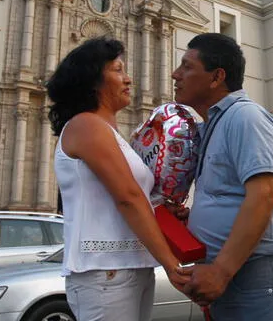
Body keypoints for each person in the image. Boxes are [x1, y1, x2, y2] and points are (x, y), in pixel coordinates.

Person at [47, 37, 190, 321]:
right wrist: (172, 265)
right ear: (91, 80)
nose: (128, 79)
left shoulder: (111, 134)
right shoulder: (86, 124)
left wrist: (163, 214)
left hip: (132, 267)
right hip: (105, 272)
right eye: (117, 70)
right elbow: (128, 198)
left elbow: (135, 198)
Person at [173, 33, 273, 320]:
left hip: (256, 274)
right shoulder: (216, 124)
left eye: (186, 67)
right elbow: (231, 196)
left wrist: (221, 271)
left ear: (216, 77)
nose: (176, 74)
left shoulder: (245, 118)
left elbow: (265, 195)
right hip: (233, 275)